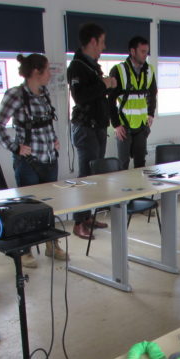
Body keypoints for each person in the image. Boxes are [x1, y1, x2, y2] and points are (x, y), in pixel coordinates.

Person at [0, 53, 66, 266]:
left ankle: (52, 245)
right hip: (28, 162)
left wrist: (55, 141)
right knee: (27, 207)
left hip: (49, 158)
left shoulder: (44, 94)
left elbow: (47, 123)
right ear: (36, 72)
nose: (50, 74)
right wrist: (15, 147)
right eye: (48, 70)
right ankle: (25, 251)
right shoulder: (15, 95)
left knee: (49, 206)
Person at [67, 23, 116, 239]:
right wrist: (105, 84)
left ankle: (88, 217)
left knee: (95, 176)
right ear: (93, 41)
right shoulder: (77, 67)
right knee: (85, 177)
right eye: (102, 42)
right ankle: (79, 223)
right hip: (85, 128)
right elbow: (80, 97)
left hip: (98, 127)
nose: (104, 47)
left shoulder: (92, 65)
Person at [108, 36, 157, 170]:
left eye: (147, 52)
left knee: (140, 165)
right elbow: (110, 100)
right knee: (123, 165)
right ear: (132, 51)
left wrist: (151, 114)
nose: (145, 55)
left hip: (141, 126)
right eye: (142, 51)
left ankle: (141, 190)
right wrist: (116, 125)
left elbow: (153, 94)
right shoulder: (119, 70)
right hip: (124, 126)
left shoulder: (149, 70)